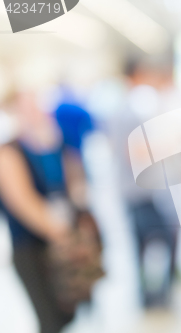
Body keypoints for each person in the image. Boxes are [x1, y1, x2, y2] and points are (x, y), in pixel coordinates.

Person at [0, 91, 93, 333]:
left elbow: (77, 182)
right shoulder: (9, 152)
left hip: (65, 240)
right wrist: (59, 232)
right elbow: (23, 202)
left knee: (68, 314)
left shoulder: (58, 145)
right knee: (50, 320)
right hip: (31, 247)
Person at [108, 56, 181, 308]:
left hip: (136, 191)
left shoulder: (127, 109)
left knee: (143, 245)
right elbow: (133, 153)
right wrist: (167, 147)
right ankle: (155, 295)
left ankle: (151, 294)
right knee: (161, 240)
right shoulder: (129, 111)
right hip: (139, 193)